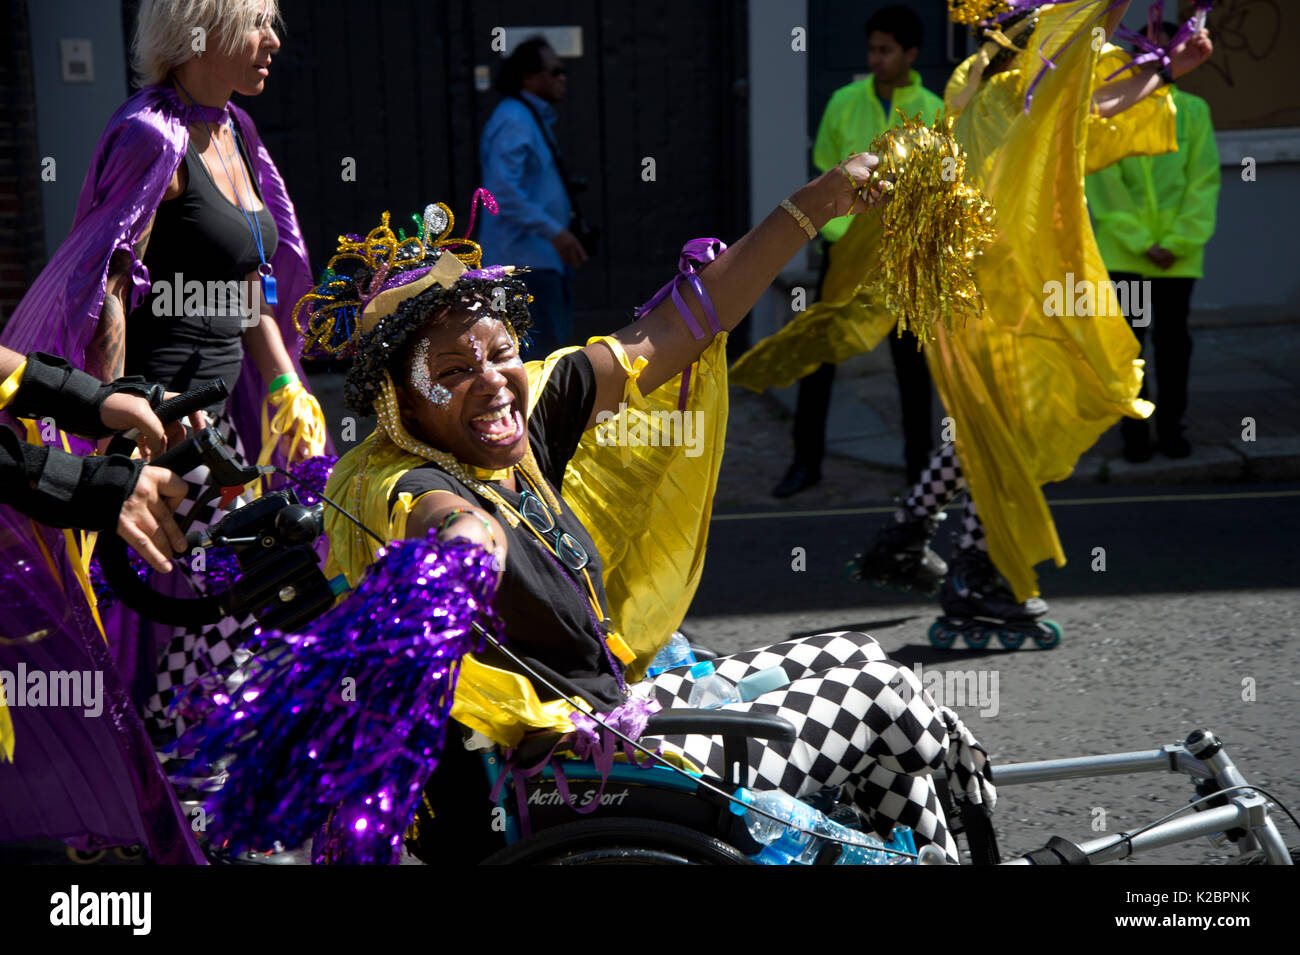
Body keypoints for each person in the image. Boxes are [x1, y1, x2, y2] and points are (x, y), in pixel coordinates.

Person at [294, 166, 997, 864]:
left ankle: (942, 850)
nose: (490, 382)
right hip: (593, 770)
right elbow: (440, 519)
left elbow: (687, 321)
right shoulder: (402, 482)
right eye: (450, 372)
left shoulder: (522, 420)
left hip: (631, 708)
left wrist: (822, 199)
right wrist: (463, 551)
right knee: (881, 693)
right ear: (400, 404)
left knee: (864, 659)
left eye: (501, 352)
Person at [733, 2, 1213, 623]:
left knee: (988, 425)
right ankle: (971, 572)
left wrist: (1165, 70)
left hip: (984, 286)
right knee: (1002, 430)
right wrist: (1153, 57)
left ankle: (907, 534)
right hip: (986, 292)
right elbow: (1081, 89)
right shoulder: (1006, 94)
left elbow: (1083, 111)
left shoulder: (983, 90)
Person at [2, 0, 328, 740]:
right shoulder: (153, 137)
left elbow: (247, 276)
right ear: (199, 31)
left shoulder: (234, 129)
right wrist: (119, 424)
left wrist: (285, 391)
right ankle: (162, 787)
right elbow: (107, 287)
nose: (274, 39)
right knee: (208, 614)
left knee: (242, 600)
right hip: (168, 424)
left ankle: (193, 773)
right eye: (257, 23)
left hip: (230, 420)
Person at [775, 4, 944, 497]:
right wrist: (838, 238)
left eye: (886, 50)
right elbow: (826, 171)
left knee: (912, 368)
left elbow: (939, 188)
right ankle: (806, 461)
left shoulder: (934, 110)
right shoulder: (843, 101)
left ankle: (919, 474)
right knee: (818, 356)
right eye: (872, 48)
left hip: (901, 262)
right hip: (844, 254)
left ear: (911, 53)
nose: (876, 58)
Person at [1086, 20, 1220, 462]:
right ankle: (1136, 435)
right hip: (1129, 255)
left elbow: (1203, 182)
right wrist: (1144, 241)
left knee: (1173, 344)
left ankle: (1171, 430)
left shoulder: (1194, 112)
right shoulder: (1119, 113)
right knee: (1131, 349)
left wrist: (1178, 241)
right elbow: (1105, 185)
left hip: (1174, 259)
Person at [479, 37, 589, 358]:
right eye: (556, 71)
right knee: (542, 363)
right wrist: (555, 233)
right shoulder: (515, 119)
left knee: (547, 359)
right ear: (528, 76)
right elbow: (501, 193)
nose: (563, 78)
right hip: (525, 266)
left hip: (537, 262)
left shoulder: (525, 117)